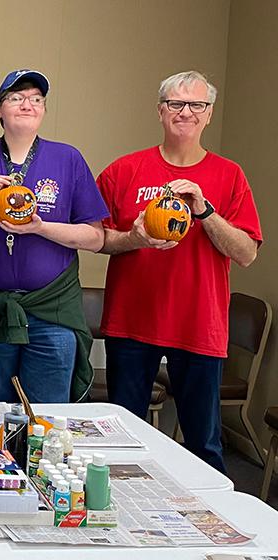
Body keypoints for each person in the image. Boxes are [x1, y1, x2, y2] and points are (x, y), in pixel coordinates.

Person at [98, 70, 261, 473]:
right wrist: (133, 238)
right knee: (123, 439)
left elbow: (246, 253)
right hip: (131, 322)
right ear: (160, 111)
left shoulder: (230, 175)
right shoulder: (123, 171)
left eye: (196, 105)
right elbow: (96, 238)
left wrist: (205, 211)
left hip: (198, 325)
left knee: (204, 446)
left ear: (208, 114)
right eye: (175, 103)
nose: (185, 112)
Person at [0, 69, 108, 404]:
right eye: (16, 98)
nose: (27, 105)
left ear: (44, 110)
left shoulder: (68, 159)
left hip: (52, 313)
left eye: (36, 99)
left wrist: (40, 227)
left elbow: (95, 238)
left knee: (46, 416)